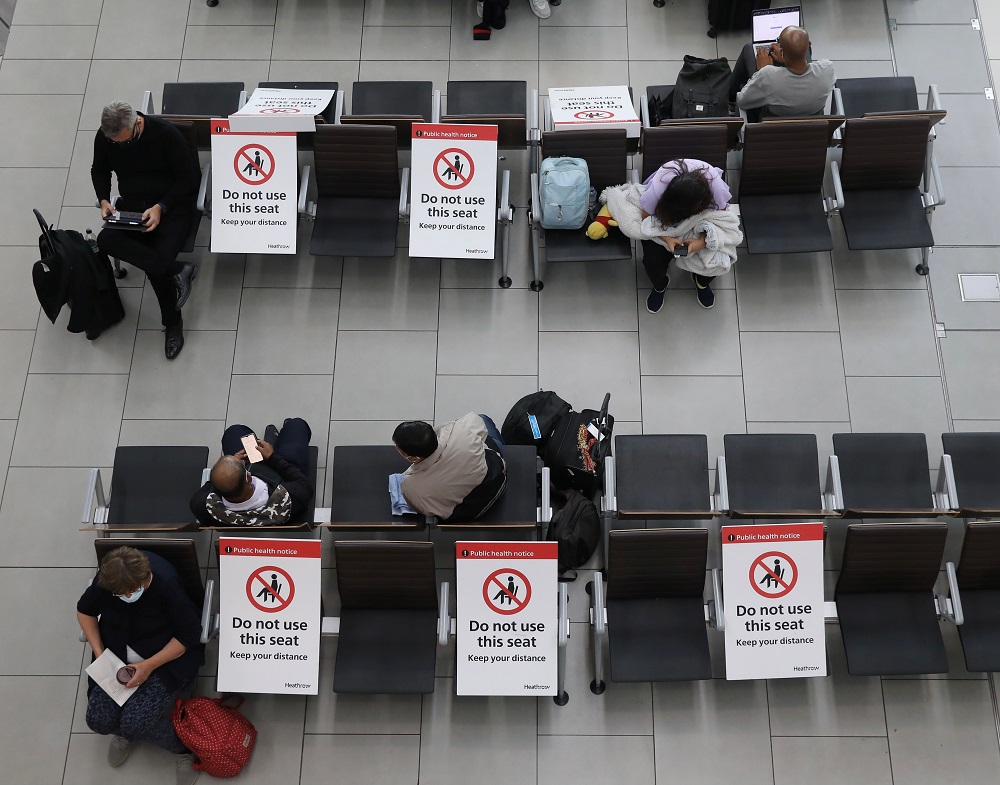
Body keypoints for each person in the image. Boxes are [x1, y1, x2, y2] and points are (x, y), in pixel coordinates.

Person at [77, 547, 204, 785]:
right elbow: (85, 611)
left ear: (145, 581)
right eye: (120, 595)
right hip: (115, 657)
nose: (127, 597)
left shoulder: (166, 585)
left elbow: (189, 635)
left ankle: (183, 749)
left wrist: (147, 666)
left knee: (137, 724)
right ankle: (122, 730)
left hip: (163, 660)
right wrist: (101, 654)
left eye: (131, 593)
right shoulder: (109, 579)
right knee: (98, 720)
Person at [91, 101, 200, 360]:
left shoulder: (165, 134)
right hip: (132, 207)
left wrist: (161, 207)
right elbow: (100, 169)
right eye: (113, 141)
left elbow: (189, 177)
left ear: (137, 124)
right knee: (106, 239)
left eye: (122, 141)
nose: (117, 145)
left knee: (154, 264)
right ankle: (177, 270)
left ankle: (172, 322)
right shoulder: (106, 136)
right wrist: (104, 199)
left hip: (171, 207)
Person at [639, 158, 733, 312]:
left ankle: (701, 282)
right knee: (652, 262)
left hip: (702, 220)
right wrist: (667, 239)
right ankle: (660, 285)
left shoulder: (717, 189)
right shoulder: (659, 186)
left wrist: (702, 242)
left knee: (718, 261)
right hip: (665, 221)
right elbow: (645, 218)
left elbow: (721, 220)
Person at [190, 418, 314, 526]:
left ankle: (273, 439)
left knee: (234, 431)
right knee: (296, 426)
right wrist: (272, 457)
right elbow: (303, 484)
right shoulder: (287, 498)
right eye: (240, 464)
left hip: (250, 472)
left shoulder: (203, 508)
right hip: (283, 475)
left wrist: (231, 467)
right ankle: (279, 436)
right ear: (248, 478)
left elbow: (205, 491)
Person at [393, 413, 507, 522]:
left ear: (414, 458)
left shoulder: (412, 488)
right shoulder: (460, 429)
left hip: (474, 513)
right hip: (498, 477)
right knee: (483, 417)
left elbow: (425, 510)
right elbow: (477, 421)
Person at [730, 26, 835, 120]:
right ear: (809, 45)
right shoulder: (827, 69)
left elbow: (742, 101)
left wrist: (761, 70)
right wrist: (788, 60)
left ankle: (730, 104)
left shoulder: (767, 76)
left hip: (773, 127)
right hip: (810, 127)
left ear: (782, 51)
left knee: (748, 49)